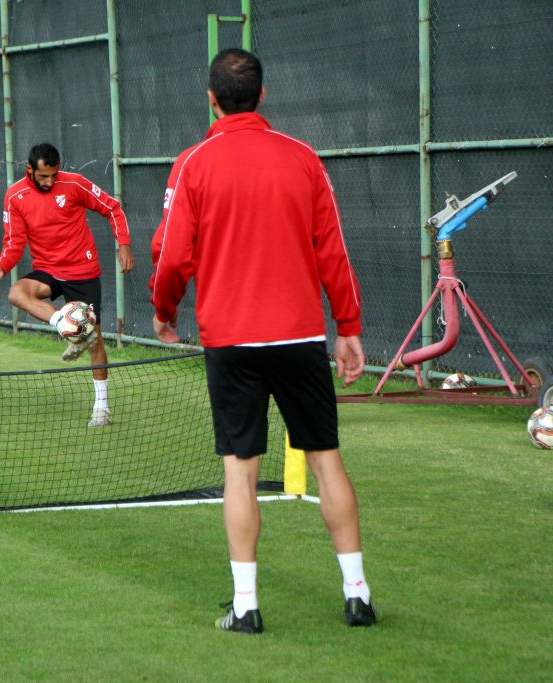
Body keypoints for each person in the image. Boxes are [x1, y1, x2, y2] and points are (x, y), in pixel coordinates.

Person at [149, 48, 376, 633]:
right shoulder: (303, 158)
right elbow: (333, 251)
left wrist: (164, 310)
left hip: (230, 341)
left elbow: (171, 256)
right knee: (326, 460)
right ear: (263, 95)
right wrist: (348, 327)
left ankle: (246, 606)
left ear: (211, 99)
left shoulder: (193, 163)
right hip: (300, 336)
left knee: (240, 471)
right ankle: (357, 594)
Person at [0, 143, 134, 427]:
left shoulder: (74, 184)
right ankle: (69, 326)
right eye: (43, 176)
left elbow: (112, 208)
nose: (49, 181)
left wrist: (124, 245)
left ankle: (101, 408)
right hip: (48, 270)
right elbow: (14, 242)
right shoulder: (14, 196)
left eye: (54, 175)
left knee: (94, 341)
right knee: (17, 293)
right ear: (30, 170)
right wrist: (2, 266)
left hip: (82, 270)